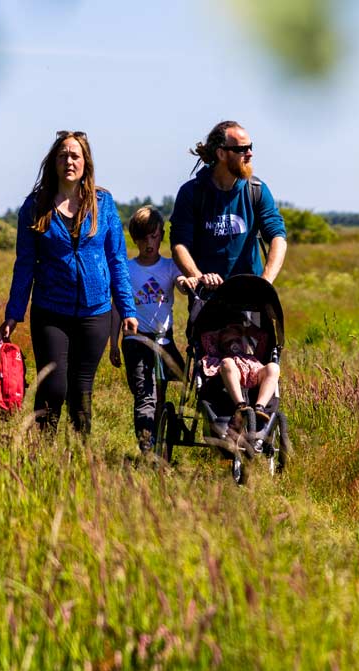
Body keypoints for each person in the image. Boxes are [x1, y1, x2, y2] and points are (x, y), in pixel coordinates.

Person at [0, 130, 139, 435]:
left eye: (75, 155)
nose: (69, 161)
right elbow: (24, 265)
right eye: (63, 155)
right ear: (53, 162)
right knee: (54, 385)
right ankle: (40, 453)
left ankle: (80, 457)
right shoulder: (35, 206)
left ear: (86, 163)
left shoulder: (103, 203)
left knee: (81, 389)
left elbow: (117, 259)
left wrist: (127, 309)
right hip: (51, 310)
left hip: (95, 311)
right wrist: (13, 313)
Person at [170, 120, 288, 291]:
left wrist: (265, 282)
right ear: (222, 154)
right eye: (242, 149)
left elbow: (278, 236)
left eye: (250, 147)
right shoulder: (192, 193)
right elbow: (179, 245)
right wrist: (198, 277)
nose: (250, 154)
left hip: (250, 298)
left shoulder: (256, 190)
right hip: (207, 300)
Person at [115, 206, 186, 452]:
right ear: (134, 238)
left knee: (161, 393)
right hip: (136, 340)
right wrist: (115, 344)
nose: (149, 242)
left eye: (154, 236)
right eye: (144, 237)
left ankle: (159, 442)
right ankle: (147, 448)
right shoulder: (126, 269)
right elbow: (119, 308)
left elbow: (180, 282)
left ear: (162, 236)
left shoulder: (169, 266)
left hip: (164, 341)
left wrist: (185, 282)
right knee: (146, 395)